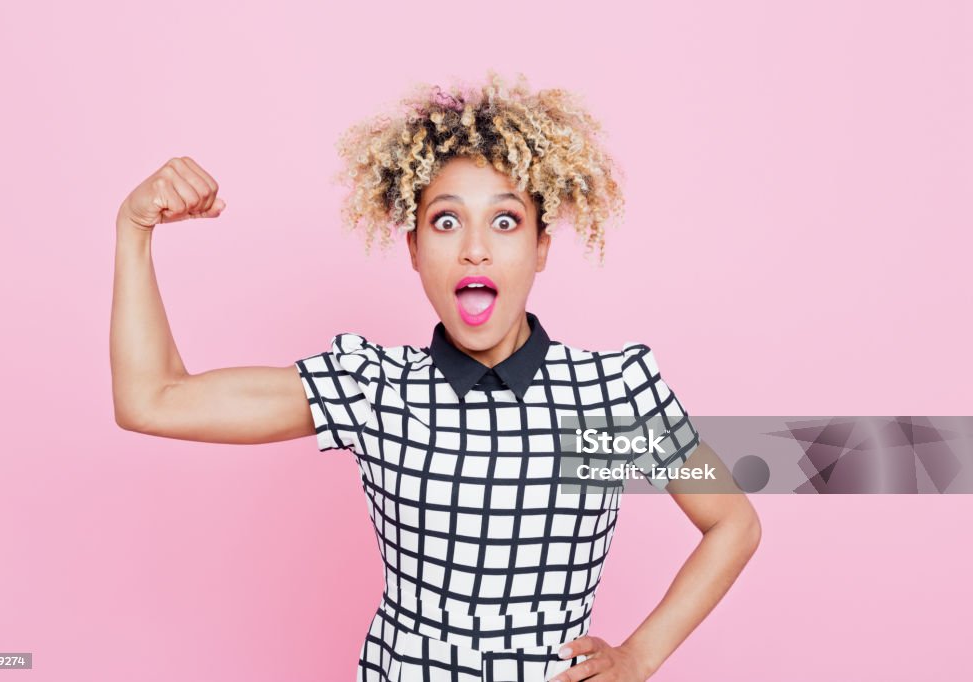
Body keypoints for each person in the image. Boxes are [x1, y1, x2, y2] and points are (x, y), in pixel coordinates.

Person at [110, 73, 761, 682]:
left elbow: (732, 522)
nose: (475, 246)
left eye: (505, 221)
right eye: (446, 221)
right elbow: (153, 401)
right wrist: (133, 229)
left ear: (541, 247)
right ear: (415, 249)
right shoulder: (373, 390)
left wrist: (639, 658)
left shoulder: (608, 399)